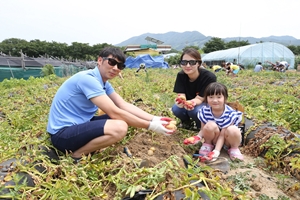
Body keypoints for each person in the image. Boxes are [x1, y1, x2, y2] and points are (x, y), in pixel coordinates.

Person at [47, 47, 174, 161]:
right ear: (100, 60)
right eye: (112, 62)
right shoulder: (88, 79)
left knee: (124, 116)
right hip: (62, 135)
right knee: (120, 127)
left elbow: (124, 105)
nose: (115, 68)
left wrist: (156, 119)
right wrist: (151, 126)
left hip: (79, 125)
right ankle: (77, 155)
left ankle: (86, 148)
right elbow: (114, 112)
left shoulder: (103, 83)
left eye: (120, 66)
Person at [183, 82, 244, 161]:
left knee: (233, 129)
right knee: (209, 125)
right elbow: (202, 129)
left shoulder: (230, 113)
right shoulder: (205, 111)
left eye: (219, 97)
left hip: (227, 140)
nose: (215, 100)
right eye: (211, 97)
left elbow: (222, 135)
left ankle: (234, 148)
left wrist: (216, 152)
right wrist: (197, 138)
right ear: (206, 98)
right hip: (214, 138)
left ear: (225, 98)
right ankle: (208, 144)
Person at [171, 48, 217, 130]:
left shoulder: (209, 77)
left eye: (192, 62)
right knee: (176, 108)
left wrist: (190, 103)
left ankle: (200, 125)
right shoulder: (181, 75)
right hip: (190, 103)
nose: (188, 66)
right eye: (184, 62)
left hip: (204, 103)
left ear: (198, 63)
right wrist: (181, 101)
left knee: (195, 111)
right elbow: (181, 94)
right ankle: (186, 122)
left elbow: (200, 99)